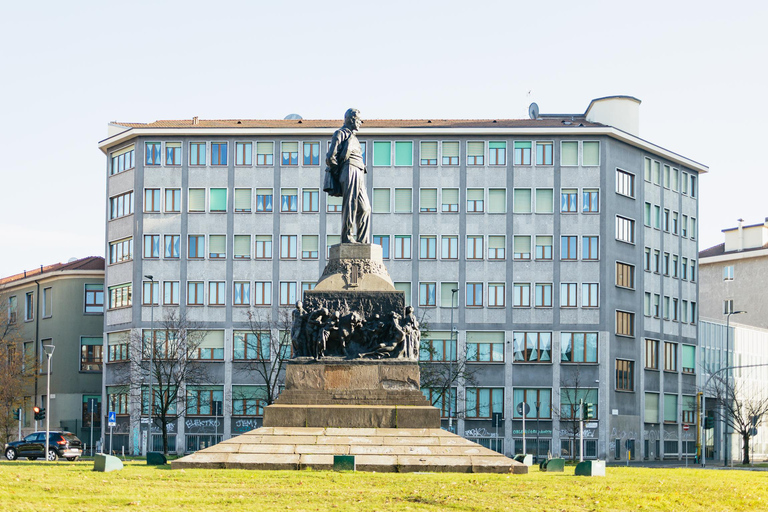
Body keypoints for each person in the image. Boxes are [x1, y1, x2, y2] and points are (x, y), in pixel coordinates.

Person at [325, 108, 371, 244]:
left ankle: (363, 241)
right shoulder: (340, 134)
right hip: (349, 169)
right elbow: (330, 157)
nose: (360, 124)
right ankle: (347, 237)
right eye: (359, 121)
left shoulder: (354, 137)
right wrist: (339, 172)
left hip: (359, 171)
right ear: (351, 119)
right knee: (350, 204)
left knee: (365, 208)